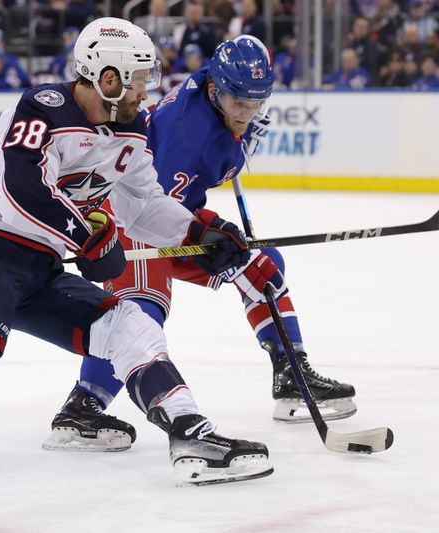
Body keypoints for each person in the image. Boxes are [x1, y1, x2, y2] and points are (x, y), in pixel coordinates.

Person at [0, 18, 272, 508]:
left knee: (130, 327)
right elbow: (21, 191)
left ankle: (191, 436)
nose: (146, 92)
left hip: (41, 264)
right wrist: (88, 240)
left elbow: (142, 205)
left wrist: (199, 234)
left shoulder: (132, 130)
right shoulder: (41, 109)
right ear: (107, 78)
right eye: (138, 81)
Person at [42, 35, 357, 454]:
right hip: (128, 214)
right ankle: (82, 407)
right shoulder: (185, 132)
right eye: (237, 104)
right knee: (142, 307)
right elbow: (151, 210)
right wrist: (208, 238)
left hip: (173, 214)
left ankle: (292, 375)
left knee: (260, 265)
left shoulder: (224, 94)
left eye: (255, 103)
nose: (246, 113)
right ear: (214, 91)